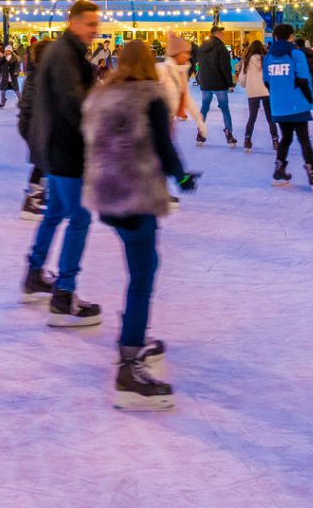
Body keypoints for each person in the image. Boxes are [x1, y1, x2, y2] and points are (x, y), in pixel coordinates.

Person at [82, 39, 196, 411]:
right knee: (143, 276)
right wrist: (181, 180)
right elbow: (165, 149)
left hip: (108, 197)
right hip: (136, 197)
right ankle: (130, 366)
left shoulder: (102, 96)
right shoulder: (149, 97)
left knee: (140, 271)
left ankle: (132, 339)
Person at [22, 1, 102, 325]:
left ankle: (34, 273)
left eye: (97, 24)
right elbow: (75, 104)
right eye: (90, 24)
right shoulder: (66, 55)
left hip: (55, 147)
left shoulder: (62, 51)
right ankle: (64, 293)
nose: (95, 30)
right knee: (79, 218)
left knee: (55, 212)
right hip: (66, 149)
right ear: (74, 23)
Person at [263, 23, 313, 189]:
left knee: (286, 138)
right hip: (297, 104)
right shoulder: (296, 54)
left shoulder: (268, 57)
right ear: (290, 36)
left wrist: (278, 93)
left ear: (275, 37)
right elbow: (303, 79)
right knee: (304, 139)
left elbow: (267, 81)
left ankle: (279, 170)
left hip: (278, 105)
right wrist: (310, 99)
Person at [157, 33, 205, 145]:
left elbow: (186, 97)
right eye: (186, 53)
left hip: (168, 125)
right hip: (157, 125)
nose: (188, 56)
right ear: (176, 53)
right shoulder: (162, 69)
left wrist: (199, 121)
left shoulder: (182, 72)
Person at [194, 24, 237, 147]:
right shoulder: (221, 48)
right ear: (216, 34)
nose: (223, 35)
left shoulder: (202, 47)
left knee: (204, 108)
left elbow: (200, 65)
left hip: (206, 83)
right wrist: (230, 84)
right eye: (221, 33)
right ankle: (229, 133)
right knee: (224, 109)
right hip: (219, 84)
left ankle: (200, 132)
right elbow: (225, 67)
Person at [16, 41, 46, 219]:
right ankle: (32, 199)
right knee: (44, 160)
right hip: (32, 123)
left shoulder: (38, 72)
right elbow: (29, 103)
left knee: (45, 161)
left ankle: (38, 195)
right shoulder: (40, 74)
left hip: (32, 122)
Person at [237, 39, 276, 152]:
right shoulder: (267, 60)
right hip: (266, 91)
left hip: (253, 92)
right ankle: (275, 140)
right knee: (270, 118)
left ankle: (247, 140)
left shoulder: (247, 61)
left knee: (252, 117)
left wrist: (244, 85)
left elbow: (243, 78)